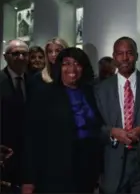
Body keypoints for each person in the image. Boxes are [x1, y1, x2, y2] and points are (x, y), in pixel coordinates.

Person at [21, 48, 103, 193]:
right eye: (66, 63)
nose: (72, 69)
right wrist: (28, 179)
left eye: (77, 64)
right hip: (54, 171)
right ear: (59, 66)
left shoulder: (91, 93)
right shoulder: (44, 94)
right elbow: (31, 138)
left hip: (87, 169)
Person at [95, 37, 140, 194]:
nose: (125, 58)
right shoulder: (100, 89)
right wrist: (112, 132)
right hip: (111, 165)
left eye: (129, 53)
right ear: (114, 57)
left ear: (137, 55)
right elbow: (94, 125)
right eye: (120, 54)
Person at [0, 39, 30, 192]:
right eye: (15, 54)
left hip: (28, 154)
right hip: (5, 153)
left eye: (24, 54)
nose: (20, 58)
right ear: (5, 57)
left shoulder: (33, 81)